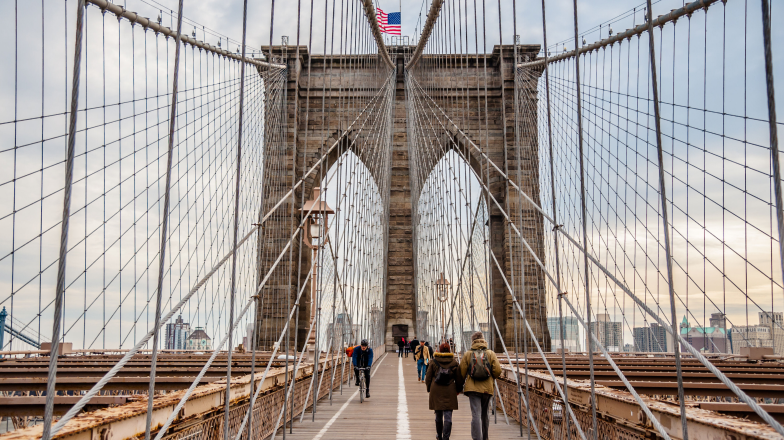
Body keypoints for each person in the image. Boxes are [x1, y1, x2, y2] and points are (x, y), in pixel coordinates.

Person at [459, 331, 502, 440]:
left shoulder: (468, 354)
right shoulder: (491, 353)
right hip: (487, 389)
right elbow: (497, 372)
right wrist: (489, 376)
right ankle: (485, 438)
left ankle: (476, 438)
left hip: (472, 389)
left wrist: (459, 387)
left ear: (472, 341)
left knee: (476, 415)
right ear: (483, 339)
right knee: (485, 414)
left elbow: (461, 373)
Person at [425, 342, 464, 440]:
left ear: (439, 350)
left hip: (436, 390)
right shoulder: (454, 362)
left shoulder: (434, 361)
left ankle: (439, 435)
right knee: (448, 416)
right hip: (449, 391)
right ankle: (446, 437)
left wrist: (429, 389)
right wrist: (458, 390)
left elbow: (428, 378)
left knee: (438, 415)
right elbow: (459, 379)